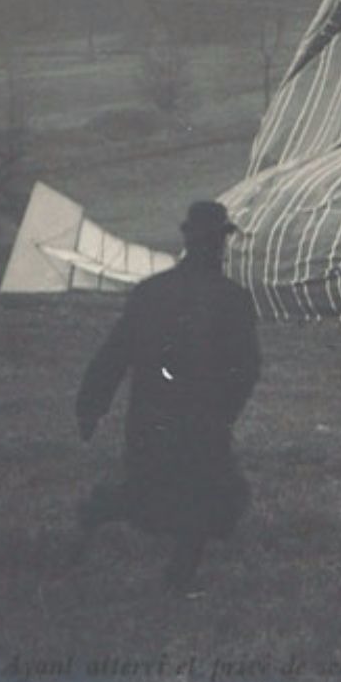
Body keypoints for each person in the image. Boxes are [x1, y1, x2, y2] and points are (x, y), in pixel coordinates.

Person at [71, 201, 262, 593]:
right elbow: (247, 367)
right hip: (202, 422)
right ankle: (174, 576)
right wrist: (226, 409)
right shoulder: (233, 299)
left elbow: (114, 354)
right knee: (208, 497)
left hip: (151, 419)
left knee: (155, 490)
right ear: (218, 244)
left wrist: (91, 404)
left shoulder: (151, 293)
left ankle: (102, 511)